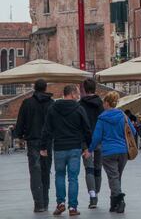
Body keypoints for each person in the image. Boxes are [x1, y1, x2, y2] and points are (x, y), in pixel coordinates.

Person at [40, 85, 91, 216]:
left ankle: (60, 203)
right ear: (72, 94)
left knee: (60, 175)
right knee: (73, 178)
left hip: (59, 148)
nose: (79, 95)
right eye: (78, 93)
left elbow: (47, 129)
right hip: (75, 148)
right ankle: (73, 207)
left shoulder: (53, 108)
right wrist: (88, 148)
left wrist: (43, 147)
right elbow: (86, 129)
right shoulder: (79, 109)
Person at [85, 91, 137, 213]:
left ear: (107, 103)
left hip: (108, 152)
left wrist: (90, 150)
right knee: (116, 177)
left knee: (113, 177)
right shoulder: (123, 116)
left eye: (104, 102)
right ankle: (113, 204)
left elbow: (97, 137)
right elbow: (133, 131)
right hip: (123, 151)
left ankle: (120, 200)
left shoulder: (102, 118)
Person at [15, 79, 54, 213]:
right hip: (47, 142)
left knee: (35, 171)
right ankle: (46, 200)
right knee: (46, 170)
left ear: (34, 88)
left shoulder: (27, 103)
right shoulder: (51, 103)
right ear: (45, 88)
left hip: (33, 141)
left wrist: (20, 135)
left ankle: (39, 204)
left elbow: (20, 122)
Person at [79, 79, 104, 208]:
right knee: (98, 166)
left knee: (88, 168)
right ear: (95, 88)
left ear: (84, 89)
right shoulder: (100, 103)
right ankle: (97, 191)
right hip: (98, 139)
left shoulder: (80, 104)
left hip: (85, 141)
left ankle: (92, 195)